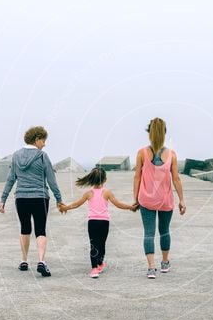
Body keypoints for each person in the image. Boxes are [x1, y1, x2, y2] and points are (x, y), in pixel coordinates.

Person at [0, 126, 65, 276]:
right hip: (40, 197)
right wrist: (59, 199)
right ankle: (41, 261)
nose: (44, 144)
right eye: (43, 140)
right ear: (36, 139)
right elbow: (51, 180)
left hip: (21, 198)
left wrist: (3, 199)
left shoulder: (16, 156)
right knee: (40, 229)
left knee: (25, 228)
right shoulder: (42, 156)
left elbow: (10, 179)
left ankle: (24, 260)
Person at [133, 117, 186, 279]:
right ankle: (164, 263)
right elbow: (176, 179)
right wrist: (182, 200)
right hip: (165, 200)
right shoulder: (172, 155)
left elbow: (137, 177)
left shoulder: (142, 153)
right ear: (164, 133)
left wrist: (135, 199)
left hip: (146, 199)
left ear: (149, 133)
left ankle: (151, 268)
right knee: (164, 231)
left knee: (149, 233)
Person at [61, 167, 137, 278]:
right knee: (101, 244)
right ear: (105, 179)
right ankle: (97, 265)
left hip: (92, 223)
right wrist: (130, 207)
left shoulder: (89, 193)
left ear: (91, 179)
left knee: (94, 245)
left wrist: (66, 207)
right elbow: (118, 204)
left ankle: (96, 267)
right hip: (104, 223)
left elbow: (76, 204)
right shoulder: (107, 193)